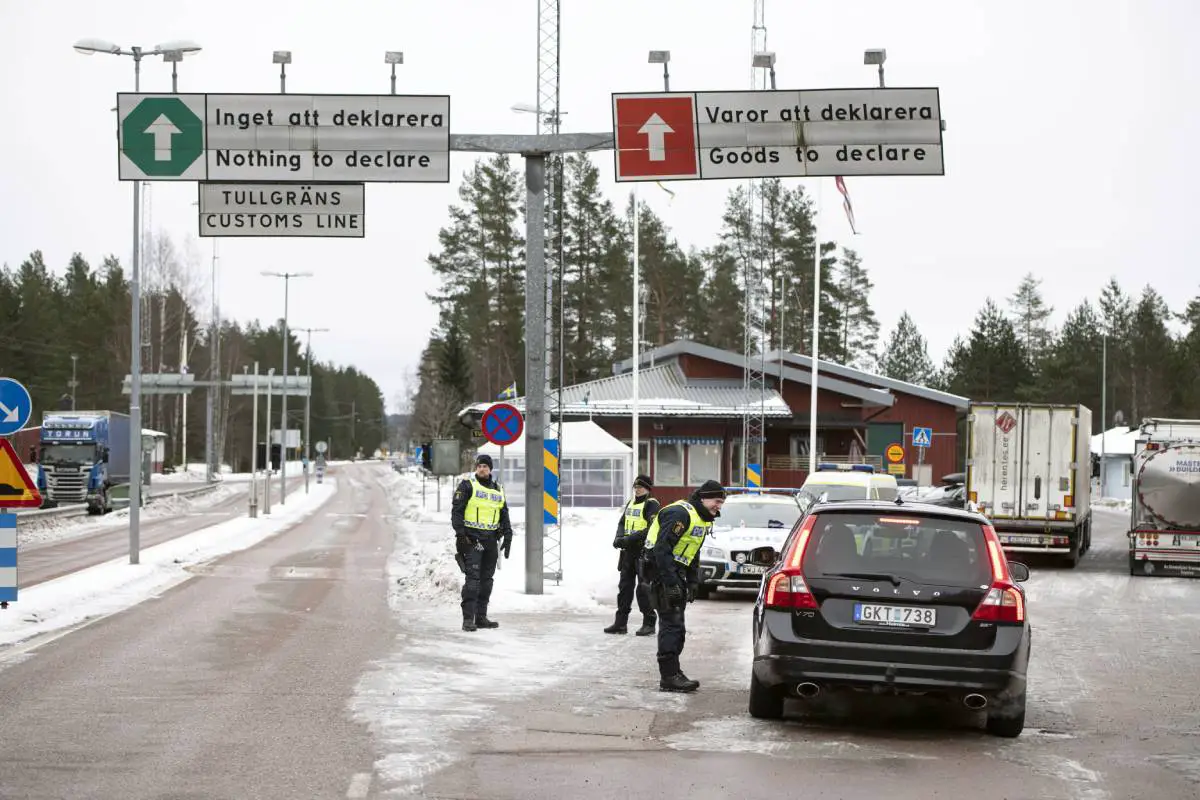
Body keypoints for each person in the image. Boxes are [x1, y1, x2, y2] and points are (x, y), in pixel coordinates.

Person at [642, 479, 726, 692]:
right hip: (662, 574)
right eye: (717, 501)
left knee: (677, 626)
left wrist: (692, 581)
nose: (719, 506)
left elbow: (692, 550)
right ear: (703, 498)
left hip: (675, 573)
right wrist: (670, 583)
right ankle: (669, 677)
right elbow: (662, 549)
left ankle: (674, 672)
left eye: (722, 502)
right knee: (672, 625)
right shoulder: (681, 514)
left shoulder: (701, 518)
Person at [451, 454, 514, 631]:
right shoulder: (467, 486)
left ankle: (481, 617)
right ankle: (468, 619)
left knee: (487, 581)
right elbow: (457, 512)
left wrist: (508, 534)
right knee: (473, 581)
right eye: (479, 466)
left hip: (491, 540)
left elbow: (504, 514)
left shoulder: (498, 489)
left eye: (485, 466)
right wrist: (461, 535)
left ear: (490, 469)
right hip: (472, 540)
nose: (482, 468)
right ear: (476, 468)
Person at [604, 474, 661, 636]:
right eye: (635, 487)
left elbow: (651, 528)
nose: (637, 489)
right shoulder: (631, 503)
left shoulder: (651, 505)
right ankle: (620, 623)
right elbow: (622, 522)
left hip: (643, 553)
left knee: (643, 589)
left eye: (640, 487)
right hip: (628, 553)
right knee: (624, 589)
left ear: (648, 489)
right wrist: (618, 538)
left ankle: (649, 623)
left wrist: (628, 539)